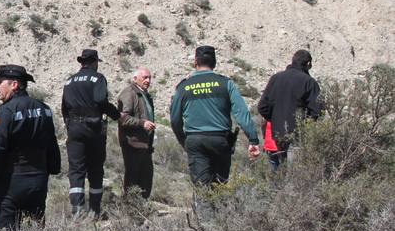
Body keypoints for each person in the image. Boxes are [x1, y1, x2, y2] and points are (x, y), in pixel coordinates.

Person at [0, 65, 61, 231]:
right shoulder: (44, 109)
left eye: (1, 81)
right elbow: (51, 143)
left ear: (14, 85)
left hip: (11, 182)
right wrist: (53, 168)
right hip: (38, 180)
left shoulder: (6, 112)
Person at [169, 45, 261, 187]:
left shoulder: (184, 87)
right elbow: (241, 113)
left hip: (195, 140)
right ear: (214, 62)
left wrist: (184, 141)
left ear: (195, 62)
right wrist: (253, 139)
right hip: (220, 140)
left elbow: (175, 119)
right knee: (220, 186)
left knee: (201, 187)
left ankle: (204, 209)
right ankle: (218, 208)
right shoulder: (225, 83)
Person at [61, 48, 121, 216]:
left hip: (74, 129)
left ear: (82, 62)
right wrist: (116, 114)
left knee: (76, 169)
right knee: (95, 168)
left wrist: (70, 126)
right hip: (93, 128)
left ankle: (77, 210)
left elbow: (64, 107)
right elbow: (101, 100)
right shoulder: (98, 78)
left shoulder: (69, 81)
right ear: (95, 62)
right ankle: (95, 209)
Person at [257, 49, 323, 170]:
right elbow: (317, 111)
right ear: (308, 64)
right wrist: (306, 125)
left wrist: (275, 119)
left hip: (277, 136)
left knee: (277, 176)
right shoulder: (309, 82)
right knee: (295, 177)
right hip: (298, 137)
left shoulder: (276, 78)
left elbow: (262, 107)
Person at [116, 67, 157, 199]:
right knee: (133, 178)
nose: (148, 80)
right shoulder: (129, 93)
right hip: (132, 143)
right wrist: (142, 123)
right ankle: (130, 209)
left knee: (146, 178)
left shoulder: (145, 95)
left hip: (144, 144)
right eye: (144, 77)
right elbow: (122, 118)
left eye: (149, 77)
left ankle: (142, 210)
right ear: (135, 79)